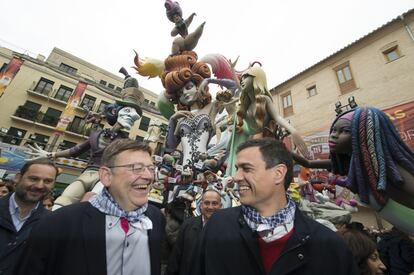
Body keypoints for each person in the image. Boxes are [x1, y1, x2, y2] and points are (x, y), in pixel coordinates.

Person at [196, 138, 357, 275]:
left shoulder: (329, 245)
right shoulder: (216, 227)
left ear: (278, 173)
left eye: (246, 168)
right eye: (237, 169)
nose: (237, 177)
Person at [16, 139, 166, 275]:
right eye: (137, 168)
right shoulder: (58, 224)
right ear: (107, 176)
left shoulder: (156, 218)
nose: (148, 176)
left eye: (151, 168)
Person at [26, 68, 144, 209]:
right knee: (64, 200)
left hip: (107, 176)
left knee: (92, 202)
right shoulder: (97, 135)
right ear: (114, 112)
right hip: (87, 173)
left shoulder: (126, 142)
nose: (133, 116)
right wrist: (51, 154)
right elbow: (76, 150)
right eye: (127, 111)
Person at [294, 107, 414, 234]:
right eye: (334, 130)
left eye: (344, 131)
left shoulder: (389, 169)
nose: (334, 135)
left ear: (364, 134)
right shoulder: (355, 163)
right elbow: (308, 163)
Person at [0, 158, 58, 275]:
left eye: (47, 181)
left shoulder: (54, 225)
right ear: (18, 178)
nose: (40, 186)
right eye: (34, 179)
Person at [167, 188, 222, 275]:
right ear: (200, 205)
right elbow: (176, 256)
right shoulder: (188, 225)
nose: (210, 207)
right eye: (207, 203)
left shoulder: (228, 228)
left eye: (214, 203)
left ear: (221, 206)